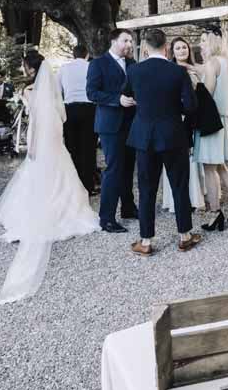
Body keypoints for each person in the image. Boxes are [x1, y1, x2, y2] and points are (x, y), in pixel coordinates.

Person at [0, 53, 100, 304]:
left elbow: (38, 121)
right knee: (62, 174)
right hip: (55, 140)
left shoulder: (31, 90)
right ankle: (66, 210)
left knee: (40, 176)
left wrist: (33, 145)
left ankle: (45, 213)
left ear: (29, 68)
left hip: (42, 140)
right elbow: (60, 117)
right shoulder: (51, 88)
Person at [123, 29, 201, 256]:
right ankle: (185, 236)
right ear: (166, 47)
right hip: (173, 135)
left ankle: (146, 241)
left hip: (144, 136)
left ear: (145, 48)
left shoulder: (134, 70)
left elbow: (126, 94)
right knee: (179, 185)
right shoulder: (177, 71)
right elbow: (191, 106)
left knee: (146, 189)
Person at [87, 28, 139, 233]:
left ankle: (128, 207)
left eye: (130, 41)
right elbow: (91, 93)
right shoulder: (98, 63)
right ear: (114, 41)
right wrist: (117, 100)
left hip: (132, 123)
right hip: (110, 126)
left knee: (128, 168)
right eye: (126, 40)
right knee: (114, 169)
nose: (129, 44)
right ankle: (106, 218)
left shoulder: (133, 64)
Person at [196, 30, 228, 231]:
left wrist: (192, 87)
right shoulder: (224, 61)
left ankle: (215, 213)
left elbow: (205, 95)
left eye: (203, 41)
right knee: (220, 166)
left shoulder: (211, 63)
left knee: (209, 168)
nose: (200, 45)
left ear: (213, 42)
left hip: (211, 121)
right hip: (223, 118)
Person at [159, 37, 206, 213]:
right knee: (182, 159)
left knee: (195, 158)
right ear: (172, 51)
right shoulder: (170, 71)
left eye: (184, 47)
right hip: (178, 118)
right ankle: (180, 199)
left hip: (195, 117)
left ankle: (198, 194)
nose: (181, 51)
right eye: (177, 48)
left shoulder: (197, 69)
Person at [59, 44, 100, 196]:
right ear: (87, 54)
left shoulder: (63, 69)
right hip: (89, 109)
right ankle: (88, 186)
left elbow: (58, 91)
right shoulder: (91, 67)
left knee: (73, 148)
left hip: (70, 110)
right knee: (89, 149)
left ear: (73, 55)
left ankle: (75, 187)